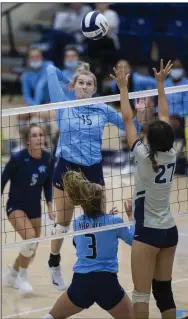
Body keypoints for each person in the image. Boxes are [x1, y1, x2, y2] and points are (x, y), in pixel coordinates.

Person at [46, 62, 126, 290]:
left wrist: (141, 113)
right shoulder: (64, 104)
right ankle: (54, 262)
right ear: (74, 86)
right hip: (66, 168)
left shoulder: (102, 108)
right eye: (80, 83)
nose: (83, 86)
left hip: (93, 170)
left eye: (88, 83)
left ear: (94, 88)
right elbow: (51, 69)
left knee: (97, 222)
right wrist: (68, 79)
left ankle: (100, 269)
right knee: (62, 224)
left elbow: (129, 123)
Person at [111, 59, 178, 319]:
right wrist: (160, 85)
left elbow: (127, 118)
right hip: (169, 231)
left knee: (141, 294)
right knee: (164, 292)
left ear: (148, 139)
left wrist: (122, 89)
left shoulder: (141, 154)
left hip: (148, 232)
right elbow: (164, 117)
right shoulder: (171, 153)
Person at [41, 170, 134, 319]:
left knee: (52, 316)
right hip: (106, 283)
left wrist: (105, 221)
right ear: (102, 200)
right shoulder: (114, 222)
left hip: (81, 282)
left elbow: (78, 244)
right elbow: (133, 240)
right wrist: (131, 217)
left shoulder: (78, 224)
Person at [2, 124, 55, 295]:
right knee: (30, 239)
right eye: (35, 135)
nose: (39, 138)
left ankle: (13, 272)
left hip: (35, 208)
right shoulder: (18, 159)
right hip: (15, 206)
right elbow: (3, 180)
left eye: (41, 134)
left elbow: (47, 184)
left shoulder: (48, 159)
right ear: (28, 142)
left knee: (31, 247)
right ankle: (22, 277)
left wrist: (50, 206)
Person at [16, 47, 57, 153]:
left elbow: (42, 86)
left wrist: (37, 109)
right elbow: (26, 95)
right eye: (32, 57)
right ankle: (24, 144)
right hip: (35, 105)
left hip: (50, 102)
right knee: (20, 115)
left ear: (42, 58)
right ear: (29, 60)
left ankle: (49, 145)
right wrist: (34, 108)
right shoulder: (26, 74)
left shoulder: (49, 66)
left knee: (40, 119)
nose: (35, 59)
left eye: (37, 56)